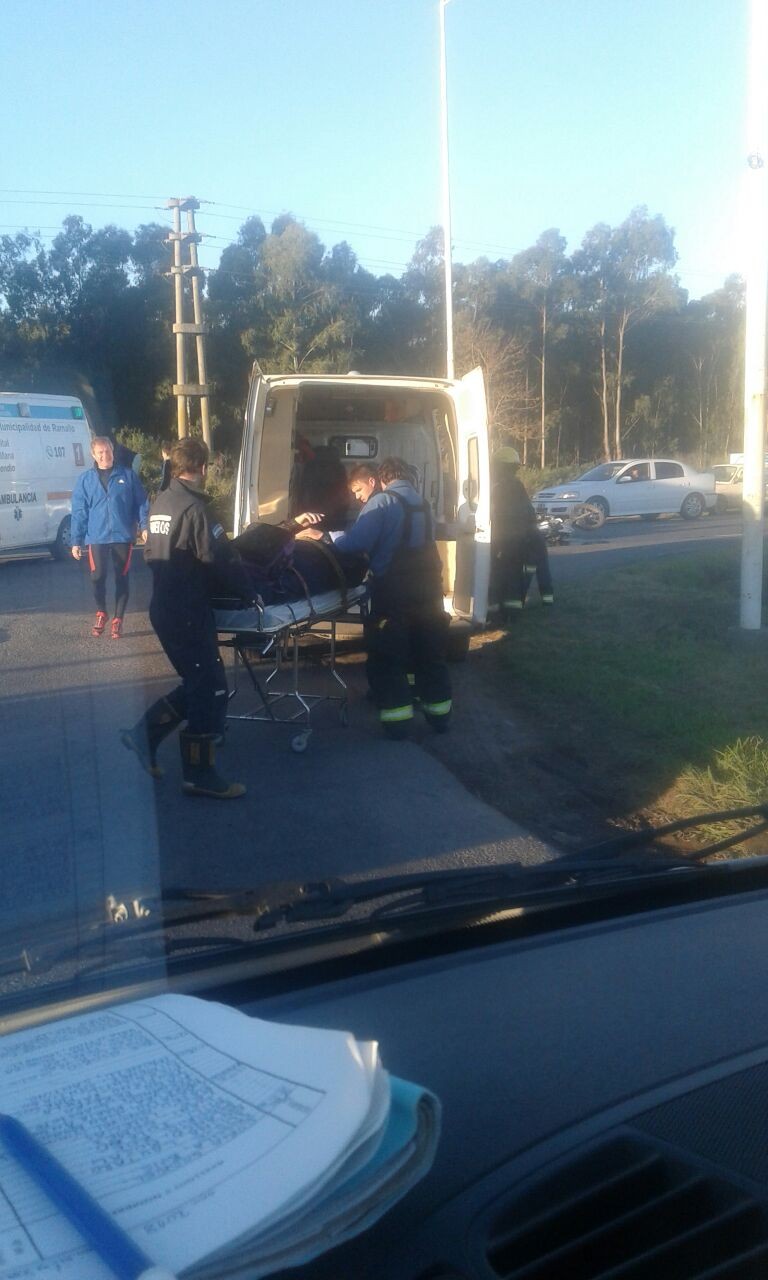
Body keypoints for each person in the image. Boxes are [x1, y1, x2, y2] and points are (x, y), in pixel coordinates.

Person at [121, 437, 254, 799]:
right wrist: (249, 592)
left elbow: (152, 554)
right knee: (210, 689)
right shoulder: (196, 509)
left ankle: (143, 736)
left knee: (198, 682)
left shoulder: (162, 502)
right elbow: (220, 560)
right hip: (187, 613)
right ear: (203, 468)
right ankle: (199, 775)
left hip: (166, 607)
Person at [297, 456, 451, 738]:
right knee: (428, 652)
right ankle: (439, 717)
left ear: (379, 479)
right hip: (429, 590)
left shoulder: (382, 502)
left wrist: (324, 536)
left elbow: (355, 543)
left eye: (358, 491)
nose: (358, 498)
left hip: (395, 591)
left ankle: (398, 725)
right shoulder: (423, 503)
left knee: (388, 655)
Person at [70, 436, 149, 639]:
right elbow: (79, 511)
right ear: (93, 455)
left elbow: (141, 502)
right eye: (100, 452)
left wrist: (144, 526)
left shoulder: (127, 475)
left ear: (113, 451)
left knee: (122, 576)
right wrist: (76, 541)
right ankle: (101, 612)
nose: (105, 455)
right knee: (97, 576)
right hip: (96, 536)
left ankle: (118, 619)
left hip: (122, 535)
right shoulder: (85, 480)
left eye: (108, 451)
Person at [489, 446, 553, 619]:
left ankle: (507, 611)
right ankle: (514, 608)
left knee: (509, 574)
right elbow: (526, 512)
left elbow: (499, 516)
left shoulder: (499, 488)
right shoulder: (515, 486)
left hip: (513, 541)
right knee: (519, 574)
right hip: (525, 540)